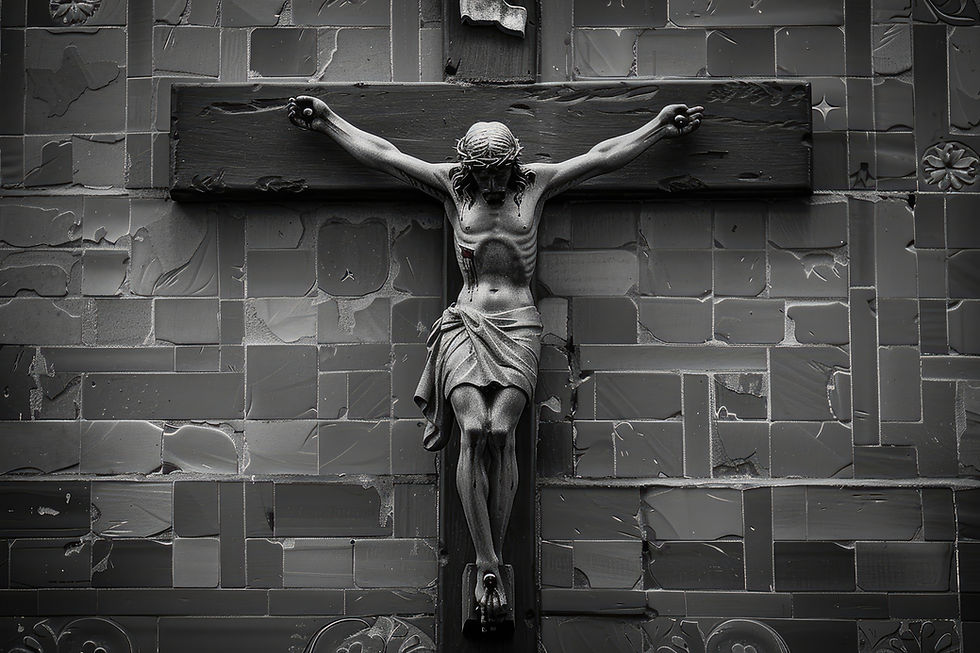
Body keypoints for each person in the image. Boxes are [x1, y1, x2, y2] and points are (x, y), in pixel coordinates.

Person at [287, 96, 703, 626]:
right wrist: (328, 123)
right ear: (468, 166)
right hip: (467, 323)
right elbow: (384, 153)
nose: (489, 185)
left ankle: (495, 552)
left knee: (500, 433)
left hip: (520, 325)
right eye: (480, 174)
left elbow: (601, 155)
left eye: (497, 174)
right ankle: (487, 561)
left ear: (513, 163)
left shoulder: (537, 183)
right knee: (471, 429)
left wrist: (659, 129)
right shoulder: (453, 185)